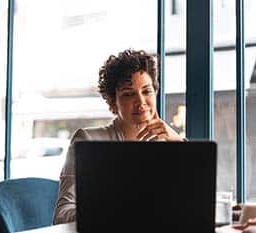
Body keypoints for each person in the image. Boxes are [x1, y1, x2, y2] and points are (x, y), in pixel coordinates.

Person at [53, 48, 186, 225]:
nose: (141, 102)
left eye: (146, 91)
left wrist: (179, 144)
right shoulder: (89, 141)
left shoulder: (169, 143)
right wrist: (108, 213)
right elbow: (62, 215)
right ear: (112, 103)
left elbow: (195, 203)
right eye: (129, 94)